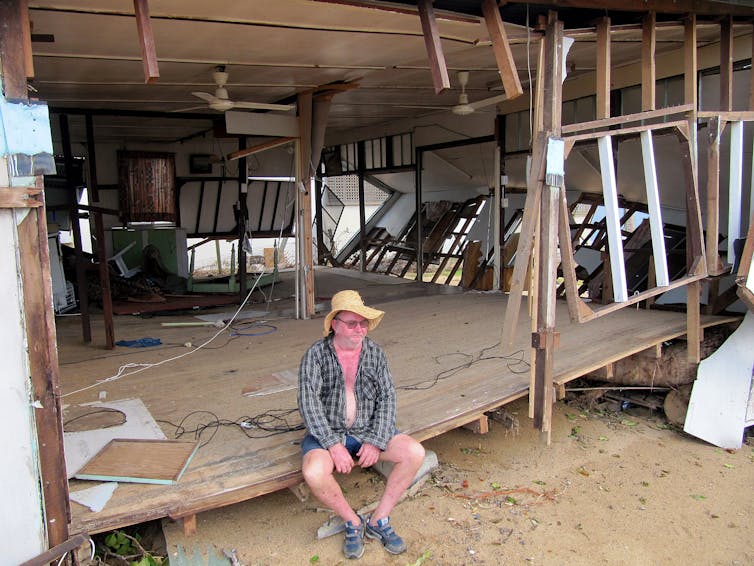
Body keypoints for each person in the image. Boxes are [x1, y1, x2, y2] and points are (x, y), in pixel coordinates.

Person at [298, 290, 426, 560]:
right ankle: (352, 521)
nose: (359, 329)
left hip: (368, 430)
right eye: (352, 323)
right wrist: (333, 445)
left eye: (363, 323)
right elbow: (309, 404)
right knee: (313, 473)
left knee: (414, 453)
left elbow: (388, 398)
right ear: (335, 324)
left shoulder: (375, 354)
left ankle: (379, 519)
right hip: (329, 433)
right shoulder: (316, 355)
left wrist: (376, 440)